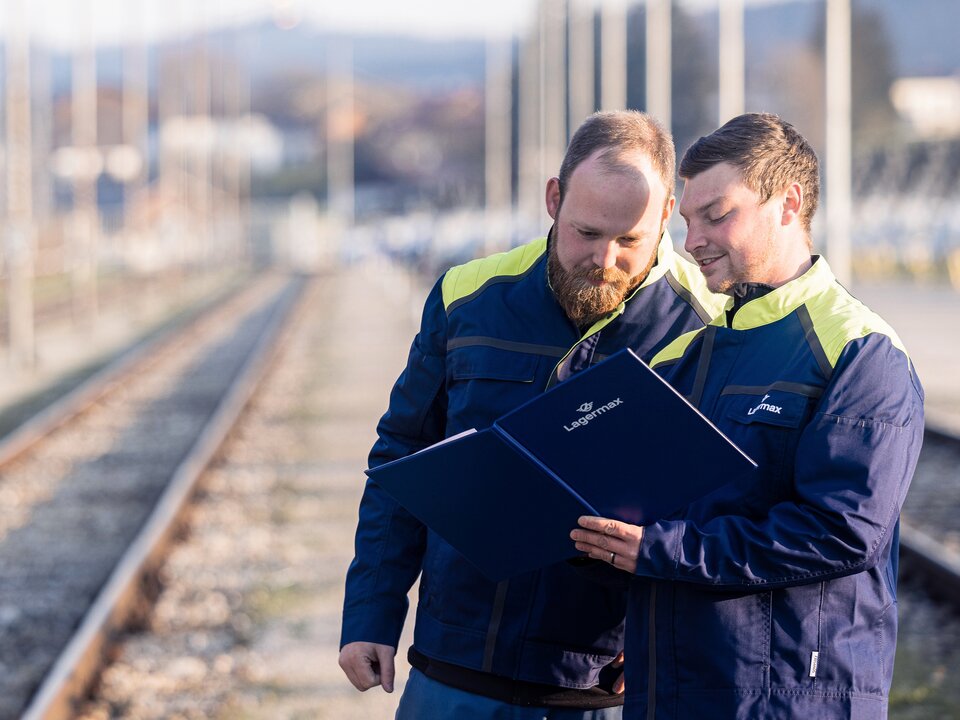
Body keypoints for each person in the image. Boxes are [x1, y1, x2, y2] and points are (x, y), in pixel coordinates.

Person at [339, 110, 726, 719]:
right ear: (553, 199)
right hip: (451, 668)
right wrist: (370, 611)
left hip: (596, 690)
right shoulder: (467, 297)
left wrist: (665, 636)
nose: (604, 260)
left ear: (667, 215)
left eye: (629, 241)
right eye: (587, 232)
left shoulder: (711, 330)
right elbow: (402, 457)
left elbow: (726, 511)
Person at [571, 112, 925, 719]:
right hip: (671, 692)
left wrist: (663, 551)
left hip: (793, 699)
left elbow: (842, 531)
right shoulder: (687, 353)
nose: (694, 241)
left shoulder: (859, 352)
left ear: (787, 205)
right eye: (688, 220)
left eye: (717, 215)